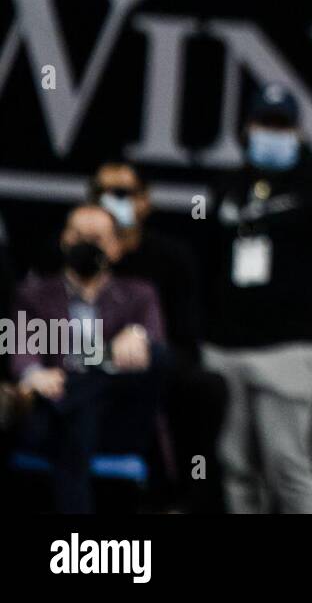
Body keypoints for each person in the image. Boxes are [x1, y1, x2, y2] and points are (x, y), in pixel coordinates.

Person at [202, 83, 312, 513]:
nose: (271, 133)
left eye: (281, 125)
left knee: (288, 464)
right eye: (265, 123)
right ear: (247, 127)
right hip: (225, 347)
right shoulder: (227, 188)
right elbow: (203, 262)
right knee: (235, 465)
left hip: (290, 347)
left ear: (298, 131)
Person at [10, 204, 168, 513]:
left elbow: (153, 348)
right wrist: (32, 373)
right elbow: (19, 350)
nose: (86, 246)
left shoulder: (139, 294)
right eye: (79, 236)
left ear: (116, 247)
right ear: (64, 240)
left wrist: (137, 337)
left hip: (116, 417)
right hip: (54, 416)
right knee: (79, 416)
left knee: (158, 356)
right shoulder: (33, 294)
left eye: (96, 239)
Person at [88, 161, 227, 513]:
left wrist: (144, 355)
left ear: (145, 201)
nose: (111, 202)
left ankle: (183, 497)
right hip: (81, 362)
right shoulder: (71, 255)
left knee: (202, 387)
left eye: (121, 194)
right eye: (101, 194)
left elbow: (183, 337)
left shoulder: (168, 261)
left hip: (151, 363)